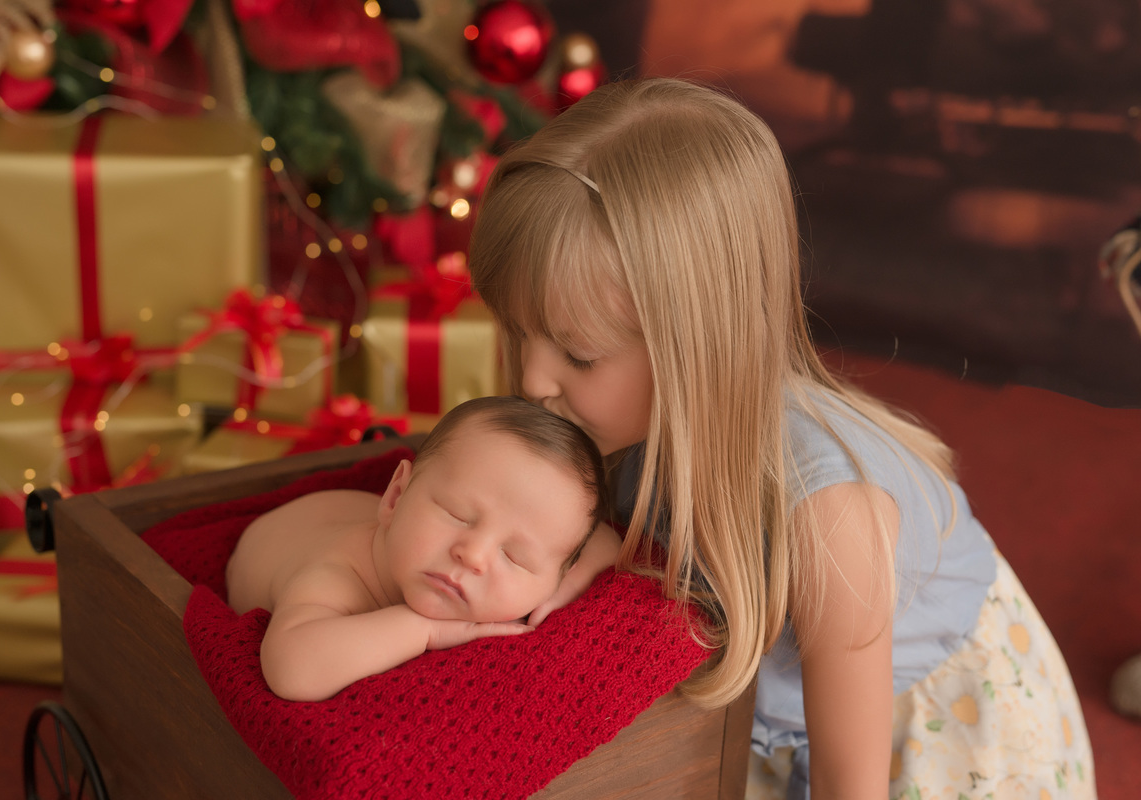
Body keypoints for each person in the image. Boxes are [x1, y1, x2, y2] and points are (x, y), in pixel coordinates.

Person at [468, 77, 1096, 799]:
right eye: (518, 332)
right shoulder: (618, 417)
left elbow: (847, 782)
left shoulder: (833, 517)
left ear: (698, 344)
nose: (534, 378)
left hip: (921, 753)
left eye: (577, 353)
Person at [226, 395, 611, 702]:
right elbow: (294, 670)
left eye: (515, 556)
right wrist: (422, 630)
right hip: (290, 533)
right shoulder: (337, 576)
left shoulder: (549, 571)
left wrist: (563, 588)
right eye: (456, 514)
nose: (473, 555)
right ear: (394, 496)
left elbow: (607, 542)